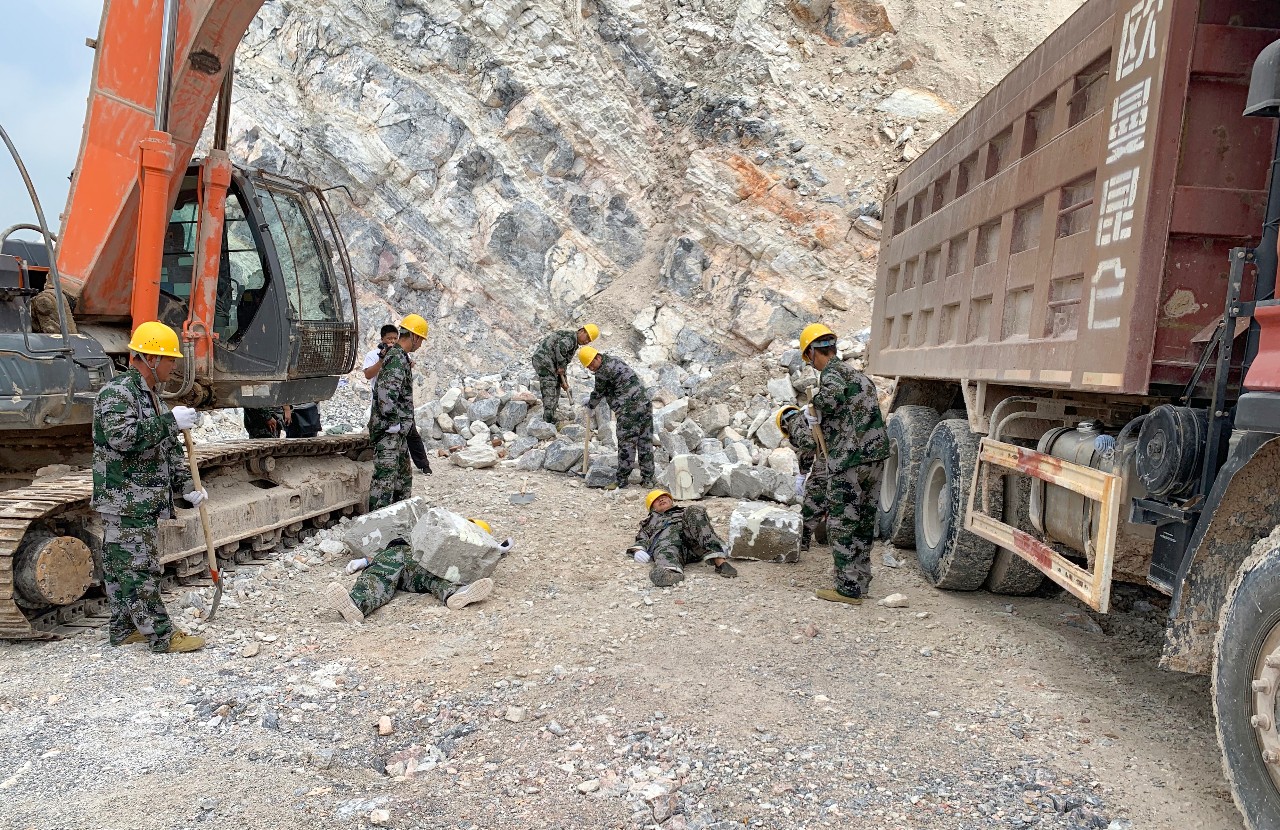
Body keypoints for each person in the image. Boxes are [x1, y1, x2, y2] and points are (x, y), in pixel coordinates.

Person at [92, 321, 207, 653]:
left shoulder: (153, 397)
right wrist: (170, 422)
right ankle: (161, 635)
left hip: (139, 499)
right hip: (124, 498)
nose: (173, 367)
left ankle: (124, 628)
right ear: (150, 359)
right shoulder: (118, 393)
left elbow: (167, 450)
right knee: (140, 567)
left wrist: (185, 488)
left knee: (118, 567)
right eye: (169, 359)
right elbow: (122, 438)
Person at [799, 323, 889, 605]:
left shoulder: (832, 374)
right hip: (875, 457)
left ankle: (847, 589)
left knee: (842, 522)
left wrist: (813, 409)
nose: (811, 364)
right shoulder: (860, 377)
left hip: (849, 460)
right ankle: (861, 579)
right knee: (864, 520)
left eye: (809, 358)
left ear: (814, 352)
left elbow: (831, 397)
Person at [323, 517, 500, 622]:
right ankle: (455, 592)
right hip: (416, 563)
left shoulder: (393, 550)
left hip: (401, 559)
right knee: (432, 576)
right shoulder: (447, 533)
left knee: (378, 577)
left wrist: (363, 561)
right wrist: (363, 561)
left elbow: (375, 561)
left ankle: (357, 603)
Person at [368, 314, 428, 510]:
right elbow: (386, 394)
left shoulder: (400, 357)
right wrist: (393, 422)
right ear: (414, 337)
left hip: (399, 431)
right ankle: (375, 525)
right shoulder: (396, 358)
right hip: (389, 431)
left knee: (402, 479)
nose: (420, 345)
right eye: (421, 340)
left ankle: (399, 520)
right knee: (384, 481)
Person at [629, 489, 738, 587]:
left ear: (671, 501)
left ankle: (720, 562)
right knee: (667, 538)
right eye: (656, 500)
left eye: (664, 497)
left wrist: (718, 542)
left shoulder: (686, 512)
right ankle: (670, 573)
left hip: (696, 547)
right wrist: (637, 550)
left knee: (695, 509)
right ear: (652, 509)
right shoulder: (650, 521)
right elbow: (642, 537)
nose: (661, 499)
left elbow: (703, 528)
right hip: (671, 548)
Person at [580, 346, 655, 489]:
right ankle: (648, 479)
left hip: (629, 409)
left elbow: (599, 392)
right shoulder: (614, 360)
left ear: (597, 357)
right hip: (645, 403)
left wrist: (590, 406)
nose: (591, 368)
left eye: (591, 364)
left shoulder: (602, 371)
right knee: (645, 441)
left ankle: (621, 480)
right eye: (588, 367)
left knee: (627, 444)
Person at [775, 405, 829, 551]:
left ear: (784, 426)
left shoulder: (795, 422)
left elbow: (808, 444)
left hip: (831, 455)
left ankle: (802, 540)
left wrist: (803, 473)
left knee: (815, 490)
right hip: (846, 448)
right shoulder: (808, 418)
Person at [531, 324, 599, 425]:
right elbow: (561, 347)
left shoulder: (573, 342)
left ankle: (551, 415)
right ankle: (547, 421)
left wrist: (564, 381)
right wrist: (561, 367)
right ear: (582, 331)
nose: (586, 341)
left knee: (557, 386)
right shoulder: (571, 337)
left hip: (550, 362)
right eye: (587, 337)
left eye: (589, 341)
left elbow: (562, 364)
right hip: (544, 360)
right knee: (550, 386)